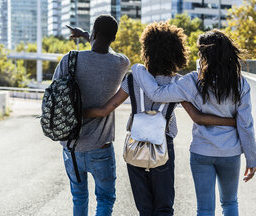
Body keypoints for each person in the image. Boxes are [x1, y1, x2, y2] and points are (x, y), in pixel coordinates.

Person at [84, 22, 236, 216]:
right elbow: (198, 117)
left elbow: (106, 109)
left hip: (135, 146)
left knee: (144, 208)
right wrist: (232, 121)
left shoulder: (133, 79)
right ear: (176, 52)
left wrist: (79, 112)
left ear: (147, 49)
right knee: (163, 207)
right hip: (163, 146)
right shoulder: (178, 83)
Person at [131, 29, 256, 216]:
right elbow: (245, 124)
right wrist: (251, 158)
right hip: (230, 153)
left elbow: (157, 94)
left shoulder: (192, 81)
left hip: (201, 151)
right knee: (230, 203)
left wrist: (137, 68)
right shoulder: (240, 84)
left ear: (204, 55)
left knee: (205, 208)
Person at [53, 15, 130, 216]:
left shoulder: (70, 59)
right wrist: (89, 35)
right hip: (101, 148)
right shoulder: (121, 63)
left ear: (94, 33)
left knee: (79, 198)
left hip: (72, 146)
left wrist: (86, 35)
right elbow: (107, 50)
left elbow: (53, 96)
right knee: (105, 199)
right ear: (113, 38)